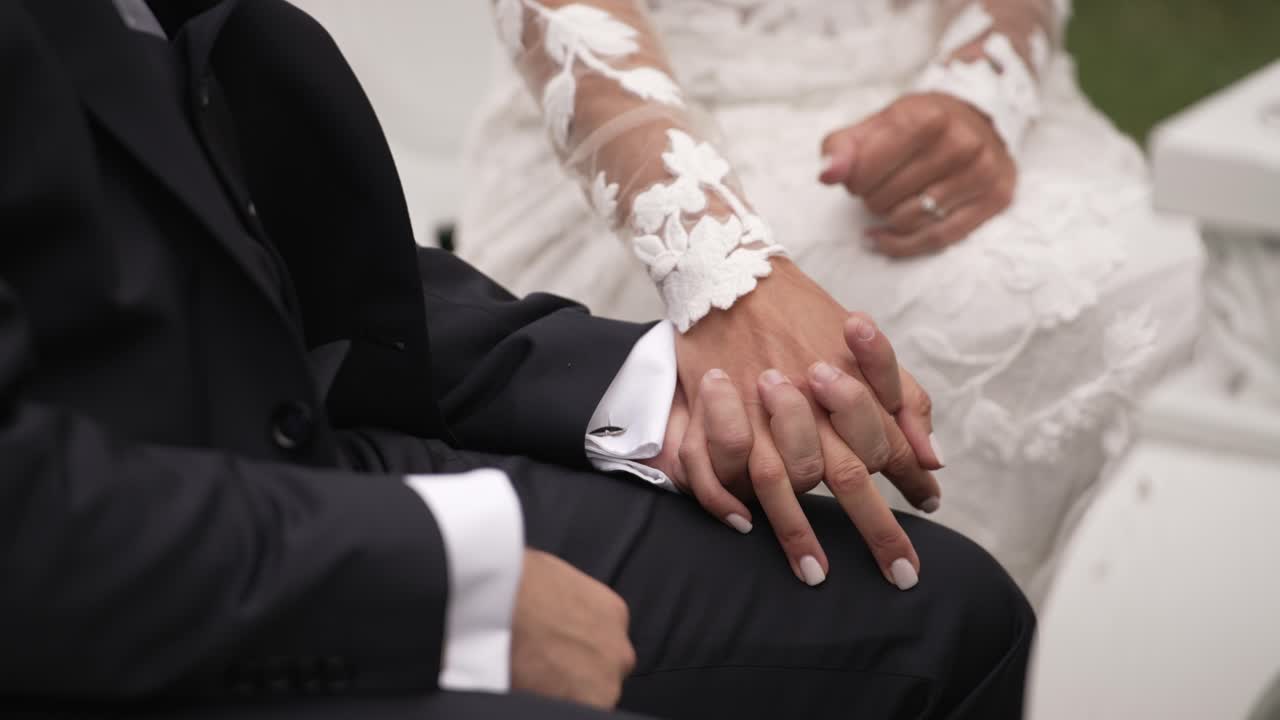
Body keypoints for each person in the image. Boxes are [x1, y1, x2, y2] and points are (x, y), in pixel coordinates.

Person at [0, 1, 1032, 718]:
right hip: (113, 585)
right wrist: (444, 586)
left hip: (278, 448)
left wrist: (643, 388)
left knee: (950, 620)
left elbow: (233, 243)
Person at [457, 0, 1205, 603]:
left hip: (956, 85)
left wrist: (982, 87)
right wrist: (721, 272)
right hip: (651, 139)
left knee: (1198, 309)